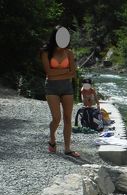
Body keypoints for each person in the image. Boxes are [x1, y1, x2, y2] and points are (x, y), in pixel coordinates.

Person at [40, 26, 80, 157]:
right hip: (52, 88)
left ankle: (67, 148)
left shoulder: (69, 53)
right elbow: (49, 73)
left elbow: (73, 73)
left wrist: (59, 73)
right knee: (57, 118)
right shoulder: (46, 52)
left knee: (68, 118)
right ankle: (52, 139)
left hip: (67, 88)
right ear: (55, 36)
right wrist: (65, 72)